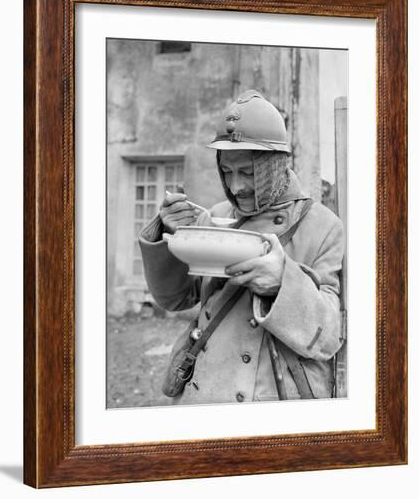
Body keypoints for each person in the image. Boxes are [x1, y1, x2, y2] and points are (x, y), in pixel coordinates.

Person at [139, 90, 345, 404]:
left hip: (270, 405)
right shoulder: (219, 215)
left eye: (248, 173)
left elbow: (329, 337)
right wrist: (167, 233)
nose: (236, 187)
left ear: (275, 166)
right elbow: (176, 299)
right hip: (204, 397)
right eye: (227, 172)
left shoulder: (323, 226)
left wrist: (281, 282)